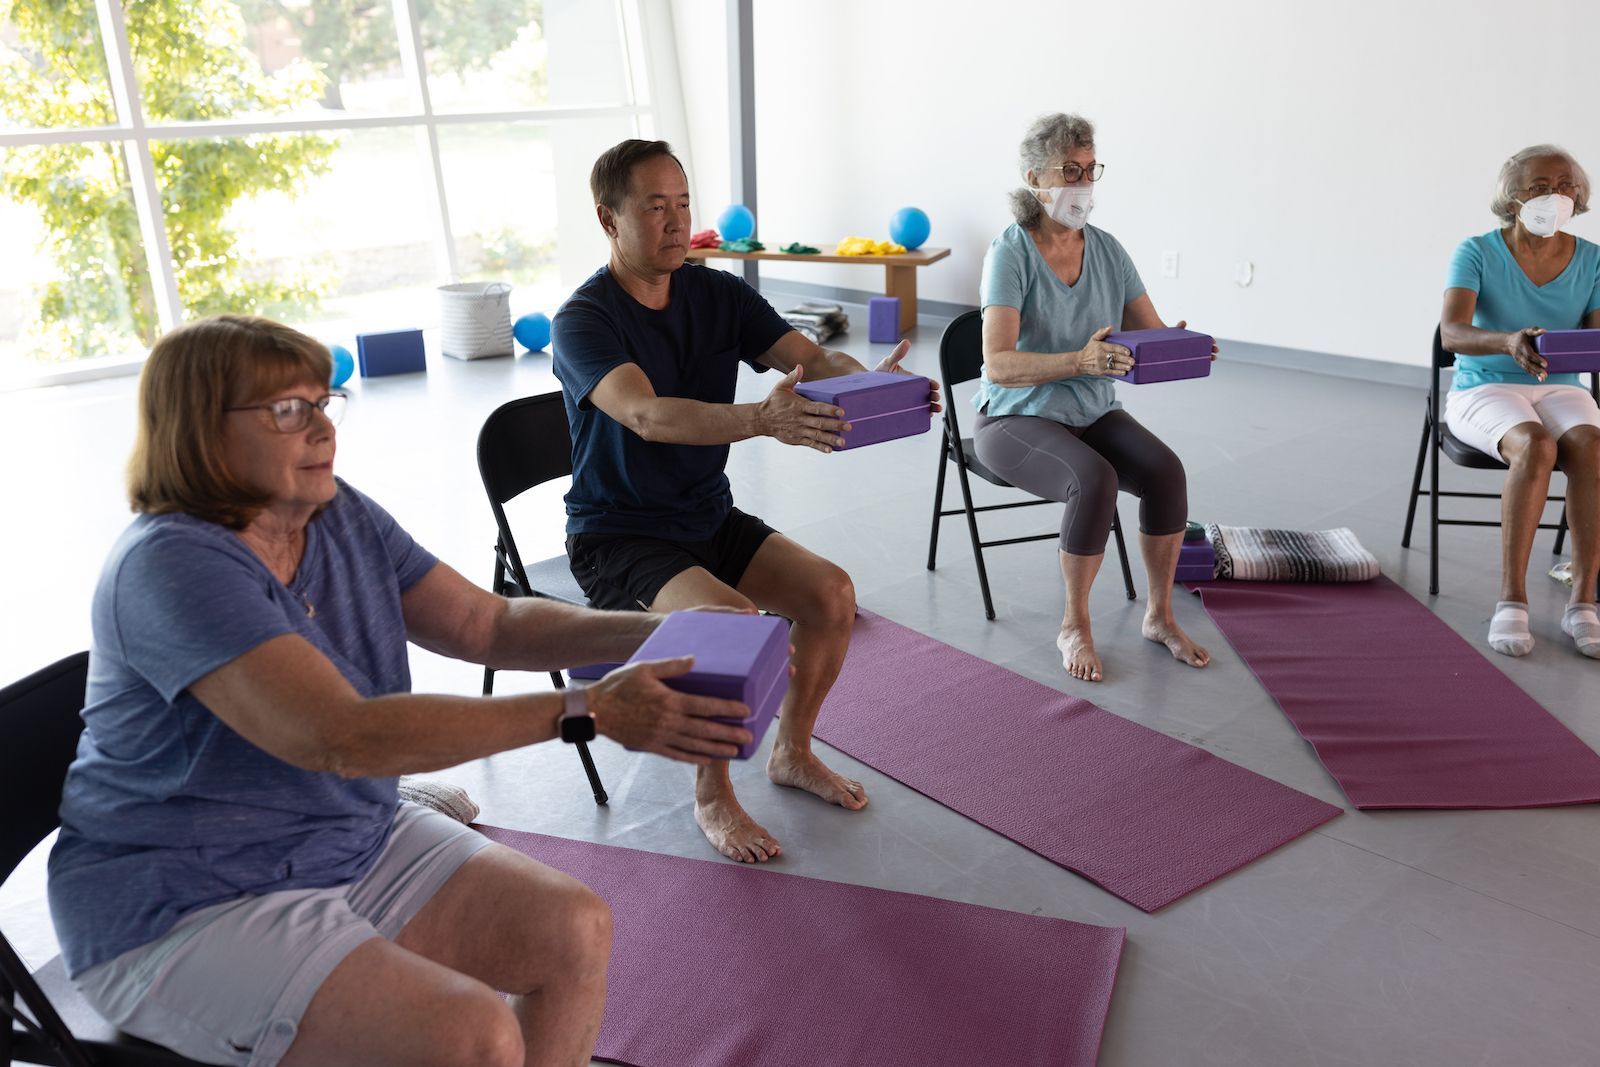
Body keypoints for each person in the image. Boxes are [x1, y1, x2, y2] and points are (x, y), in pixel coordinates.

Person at [48, 315, 756, 1067]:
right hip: (182, 902)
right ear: (198, 432)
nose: (321, 427)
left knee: (574, 926)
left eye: (322, 402)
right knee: (469, 1035)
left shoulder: (334, 510)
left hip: (342, 837)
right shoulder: (172, 564)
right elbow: (341, 737)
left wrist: (656, 631)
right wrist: (589, 708)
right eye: (288, 410)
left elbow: (487, 623)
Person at [552, 138, 939, 864]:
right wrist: (762, 419)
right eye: (654, 208)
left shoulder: (715, 291)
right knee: (734, 624)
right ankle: (712, 794)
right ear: (608, 219)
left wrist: (873, 386)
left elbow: (810, 357)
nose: (675, 223)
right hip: (620, 535)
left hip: (706, 513)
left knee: (831, 594)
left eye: (683, 205)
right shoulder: (583, 320)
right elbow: (648, 415)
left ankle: (791, 753)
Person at [974, 112, 1213, 683]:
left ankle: (1158, 616)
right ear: (1035, 178)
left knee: (1166, 471)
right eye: (1069, 171)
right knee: (1095, 478)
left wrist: (1185, 345)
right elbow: (998, 365)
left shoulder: (1108, 250)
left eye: (1089, 170)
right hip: (1013, 418)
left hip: (1092, 409)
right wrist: (1079, 360)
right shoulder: (1010, 254)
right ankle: (1074, 626)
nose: (1082, 185)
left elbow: (1149, 331)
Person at [1440, 144, 1600, 659]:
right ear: (1512, 198)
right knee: (1534, 445)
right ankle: (1512, 598)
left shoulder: (1593, 259)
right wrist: (1508, 340)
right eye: (1539, 186)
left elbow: (1595, 342)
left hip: (1561, 385)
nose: (1556, 195)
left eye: (1567, 185)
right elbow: (1452, 332)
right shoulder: (1477, 251)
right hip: (1484, 384)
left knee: (1592, 448)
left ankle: (1583, 602)